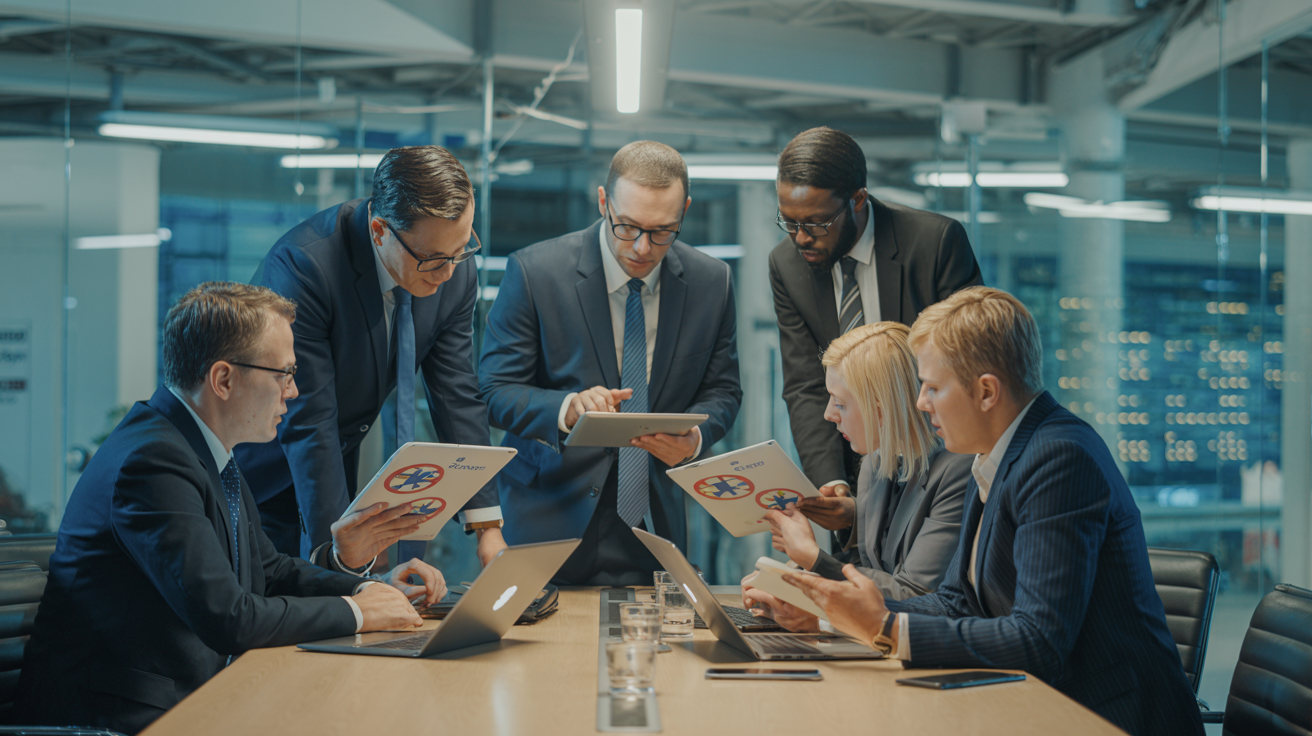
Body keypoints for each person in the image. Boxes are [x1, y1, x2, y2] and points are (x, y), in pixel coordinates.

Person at [15, 283, 446, 735]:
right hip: (118, 720)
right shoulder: (152, 463)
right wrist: (358, 614)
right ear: (223, 379)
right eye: (284, 373)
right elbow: (229, 618)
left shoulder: (198, 448)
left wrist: (368, 591)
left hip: (184, 699)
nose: (294, 391)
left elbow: (269, 569)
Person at [784, 287, 1204, 736]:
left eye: (932, 388)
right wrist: (837, 618)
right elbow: (957, 601)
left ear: (986, 392)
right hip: (1042, 705)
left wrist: (885, 628)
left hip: (1110, 719)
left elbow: (1040, 640)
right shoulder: (995, 454)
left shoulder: (1059, 458)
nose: (921, 403)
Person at [480, 141, 741, 585]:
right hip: (549, 513)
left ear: (685, 212)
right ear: (603, 202)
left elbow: (724, 389)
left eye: (663, 231)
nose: (642, 247)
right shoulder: (535, 272)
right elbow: (494, 390)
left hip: (652, 519)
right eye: (627, 226)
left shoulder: (710, 282)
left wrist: (695, 438)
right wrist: (567, 408)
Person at [236, 145, 506, 568]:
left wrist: (488, 528)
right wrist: (344, 563)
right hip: (262, 477)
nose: (449, 272)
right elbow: (309, 422)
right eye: (433, 259)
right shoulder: (306, 266)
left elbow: (456, 392)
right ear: (380, 231)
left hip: (335, 464)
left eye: (462, 247)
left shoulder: (452, 267)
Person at [770, 127, 981, 507]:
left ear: (858, 199)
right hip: (852, 476)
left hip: (940, 468)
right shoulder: (786, 264)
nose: (801, 238)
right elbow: (805, 383)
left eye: (816, 223)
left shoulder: (934, 244)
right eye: (789, 222)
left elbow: (965, 370)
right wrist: (833, 483)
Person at [741, 322, 971, 629]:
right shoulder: (874, 464)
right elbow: (867, 569)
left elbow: (915, 595)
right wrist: (792, 584)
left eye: (839, 402)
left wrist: (813, 559)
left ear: (881, 409)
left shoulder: (959, 471)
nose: (828, 414)